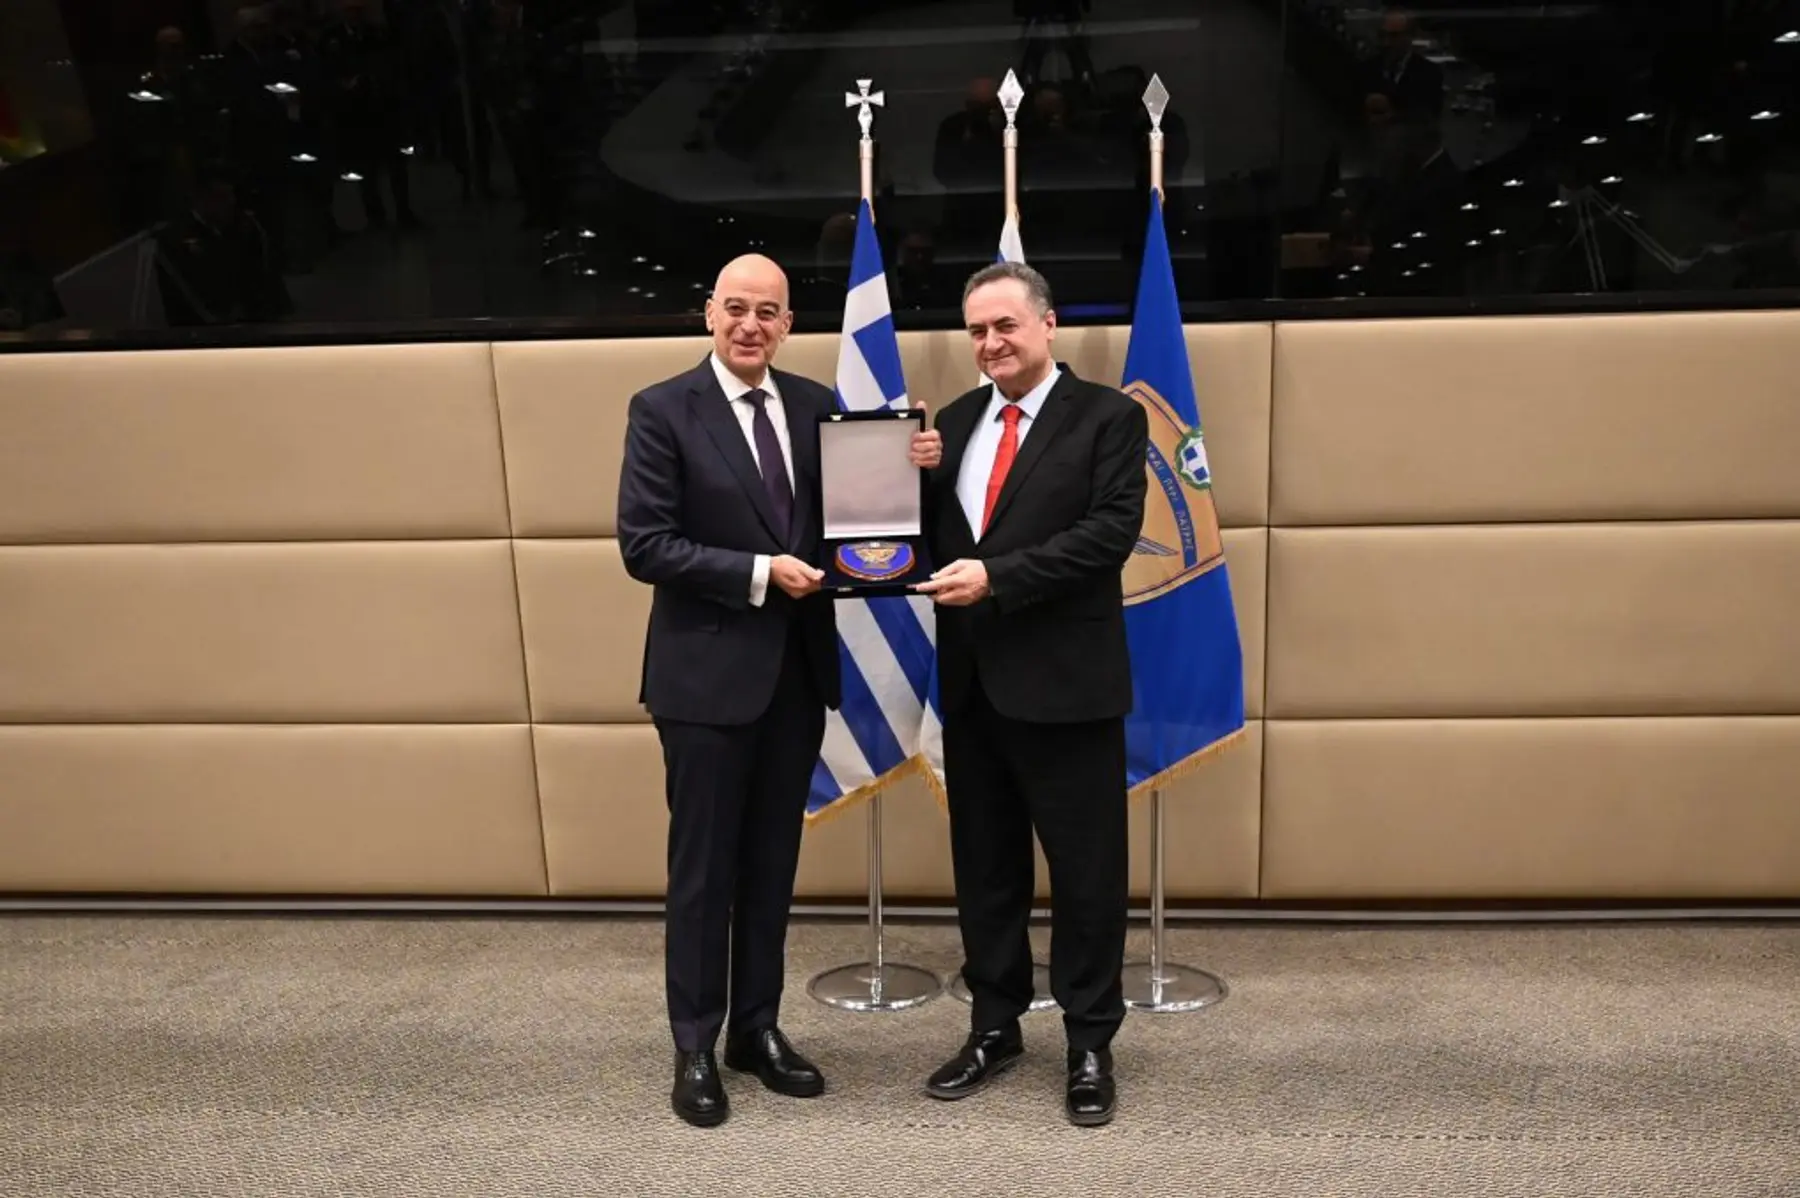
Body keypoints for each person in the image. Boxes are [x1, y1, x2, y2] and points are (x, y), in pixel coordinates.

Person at [616, 253, 941, 1128]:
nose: (750, 325)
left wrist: (912, 466)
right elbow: (645, 544)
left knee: (769, 870)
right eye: (736, 308)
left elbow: (857, 522)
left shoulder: (815, 405)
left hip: (796, 680)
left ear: (789, 324)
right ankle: (694, 1043)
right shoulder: (662, 410)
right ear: (708, 313)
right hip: (703, 683)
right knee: (703, 873)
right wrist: (762, 571)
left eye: (768, 311)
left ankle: (754, 1031)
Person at [913, 260, 1148, 1127]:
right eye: (977, 330)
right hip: (974, 686)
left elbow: (1109, 535)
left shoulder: (1109, 418)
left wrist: (998, 578)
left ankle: (1089, 1043)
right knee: (986, 871)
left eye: (1005, 325)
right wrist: (915, 480)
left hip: (1069, 686)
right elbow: (936, 542)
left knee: (1087, 876)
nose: (990, 343)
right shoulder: (956, 423)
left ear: (1048, 325)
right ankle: (994, 1026)